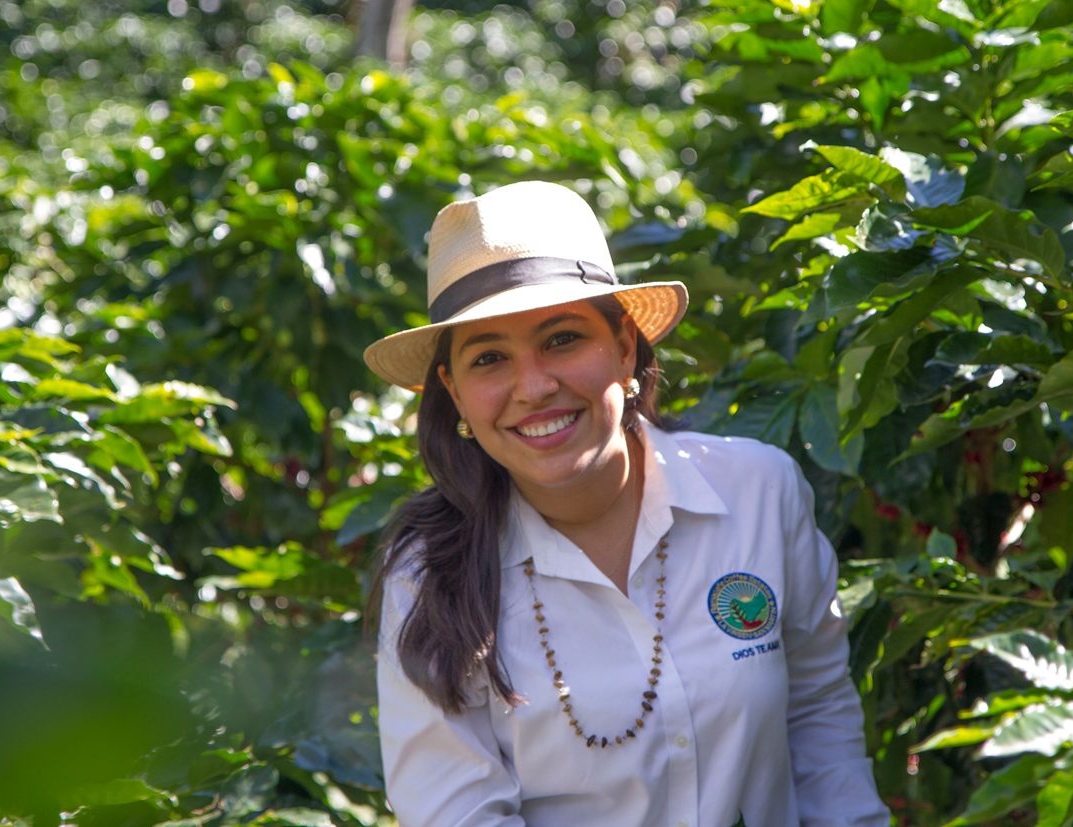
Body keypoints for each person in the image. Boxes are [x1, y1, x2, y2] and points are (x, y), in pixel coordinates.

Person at [363, 181, 889, 827]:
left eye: (562, 339)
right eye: (490, 358)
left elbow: (817, 712)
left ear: (625, 346)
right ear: (455, 391)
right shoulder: (427, 577)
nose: (534, 387)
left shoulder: (758, 491)